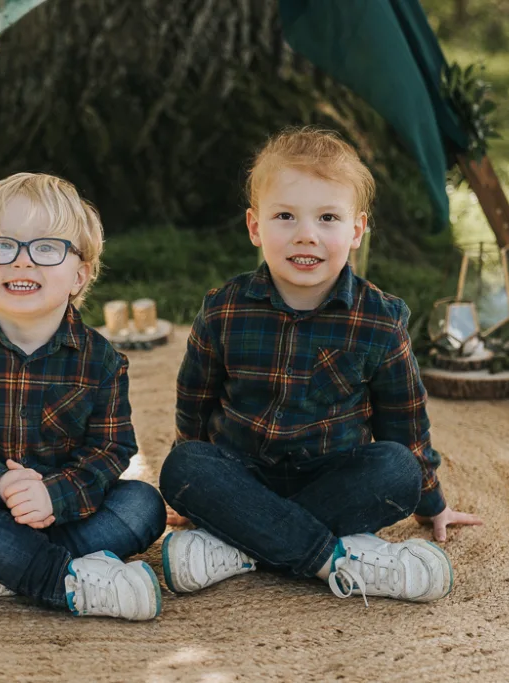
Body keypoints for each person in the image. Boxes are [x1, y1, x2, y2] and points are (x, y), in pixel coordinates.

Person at [158, 128, 482, 605]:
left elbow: (404, 423)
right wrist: (192, 490)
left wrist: (431, 502)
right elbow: (195, 403)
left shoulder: (380, 318)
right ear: (255, 227)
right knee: (183, 466)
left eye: (327, 217)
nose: (305, 234)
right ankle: (333, 558)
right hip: (244, 469)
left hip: (336, 476)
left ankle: (238, 547)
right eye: (285, 216)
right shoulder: (223, 309)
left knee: (398, 471)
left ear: (356, 231)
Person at [0, 173, 165, 621]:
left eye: (46, 248)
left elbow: (111, 448)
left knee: (143, 504)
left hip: (72, 512)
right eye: (2, 246)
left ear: (79, 274)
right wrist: (1, 481)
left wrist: (56, 495)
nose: (22, 263)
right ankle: (68, 584)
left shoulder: (101, 359)